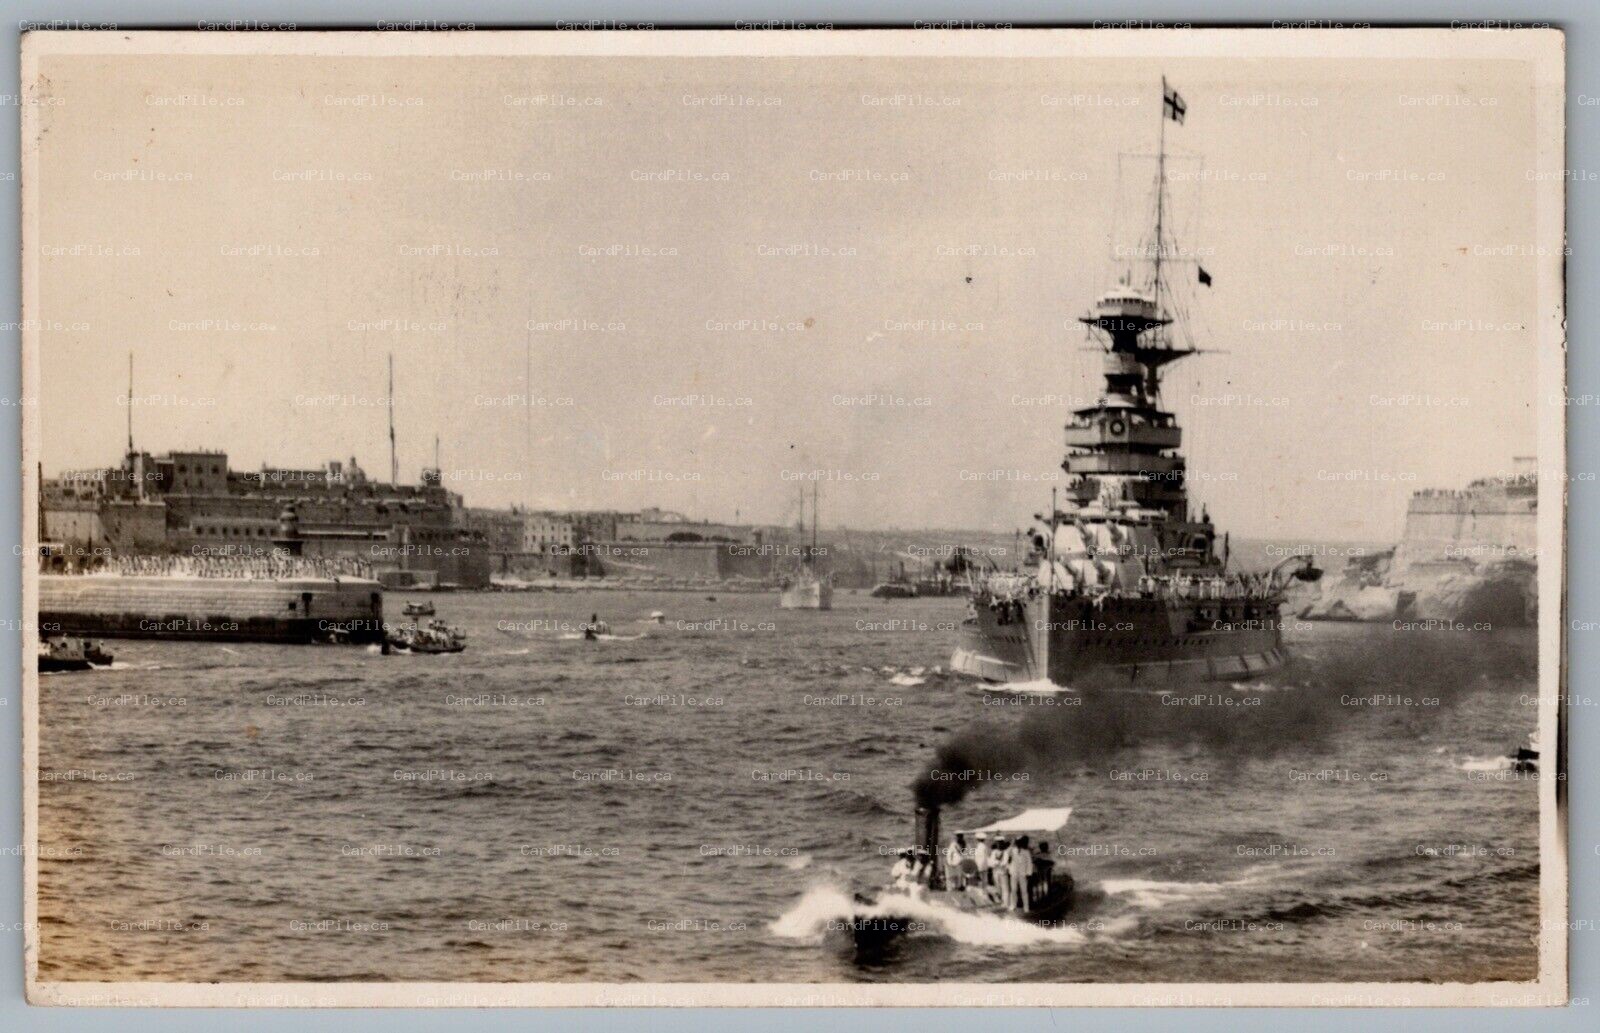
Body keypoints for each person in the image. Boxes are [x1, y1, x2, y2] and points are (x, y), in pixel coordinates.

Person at [1009, 835, 1035, 911]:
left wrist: (1028, 873)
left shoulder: (1026, 852)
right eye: (1017, 842)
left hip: (1022, 874)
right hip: (1014, 873)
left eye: (1019, 842)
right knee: (1013, 890)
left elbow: (1029, 863)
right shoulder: (1013, 850)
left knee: (1024, 891)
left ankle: (1026, 907)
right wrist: (1011, 844)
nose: (1018, 844)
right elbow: (1007, 854)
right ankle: (1013, 905)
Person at [972, 833, 992, 900]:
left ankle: (982, 896)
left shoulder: (979, 847)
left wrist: (977, 867)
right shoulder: (984, 846)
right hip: (984, 866)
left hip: (980, 866)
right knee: (984, 881)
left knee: (980, 881)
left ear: (978, 839)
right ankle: (984, 895)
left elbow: (979, 858)